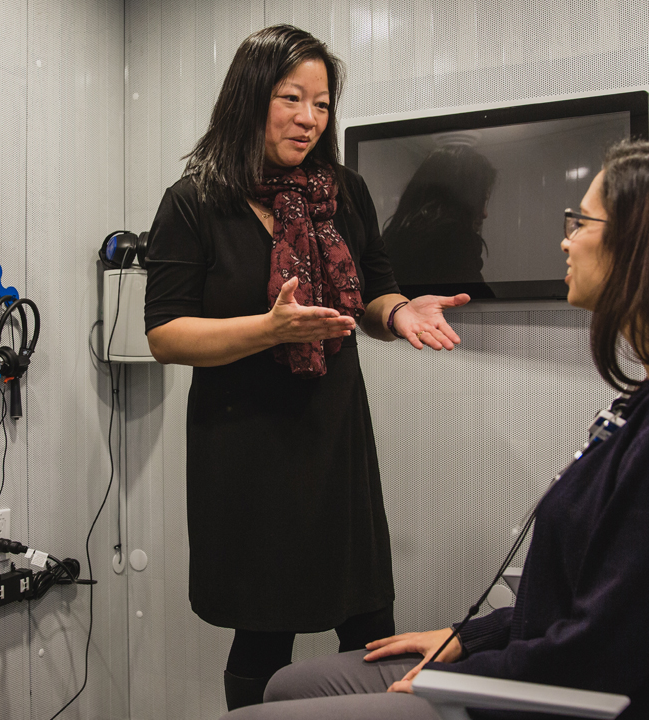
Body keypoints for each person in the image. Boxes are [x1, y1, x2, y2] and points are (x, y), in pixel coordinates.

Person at [218, 141, 649, 720]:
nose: (565, 239)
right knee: (287, 685)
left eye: (582, 222)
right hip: (533, 663)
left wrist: (459, 678)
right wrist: (467, 636)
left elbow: (602, 647)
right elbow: (586, 601)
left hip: (549, 700)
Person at [142, 25, 473, 710]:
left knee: (368, 617)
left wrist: (399, 314)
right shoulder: (194, 200)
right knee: (263, 629)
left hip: (335, 435)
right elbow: (166, 334)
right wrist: (269, 331)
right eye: (291, 98)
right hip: (244, 443)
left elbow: (376, 289)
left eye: (321, 103)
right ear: (249, 97)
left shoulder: (342, 191)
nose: (308, 118)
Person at [381, 145, 497, 298]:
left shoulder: (392, 238)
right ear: (463, 200)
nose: (484, 214)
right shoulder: (455, 241)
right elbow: (480, 304)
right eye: (482, 200)